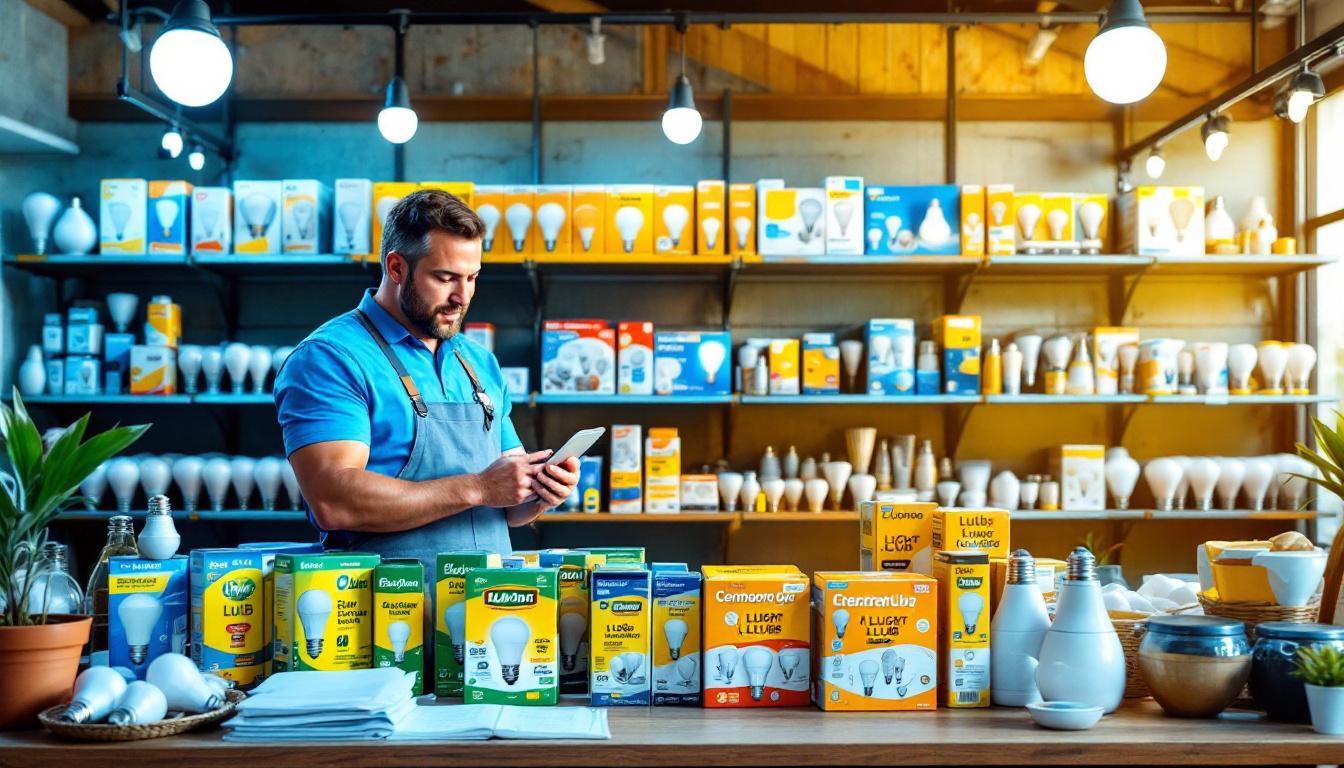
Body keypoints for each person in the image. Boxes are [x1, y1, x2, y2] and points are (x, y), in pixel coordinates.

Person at [274, 189, 579, 569]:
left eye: (472, 278)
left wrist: (540, 493)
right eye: (446, 278)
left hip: (489, 605)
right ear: (397, 267)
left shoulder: (478, 362)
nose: (462, 297)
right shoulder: (331, 358)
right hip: (384, 608)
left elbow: (509, 506)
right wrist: (478, 487)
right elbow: (333, 502)